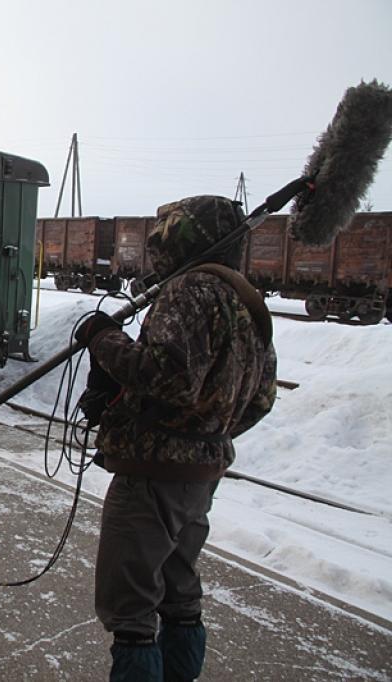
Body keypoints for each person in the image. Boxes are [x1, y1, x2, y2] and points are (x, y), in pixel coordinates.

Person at [74, 195, 277, 682]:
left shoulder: (189, 290)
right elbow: (261, 397)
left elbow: (166, 375)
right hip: (201, 476)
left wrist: (102, 338)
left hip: (152, 478)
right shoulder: (246, 297)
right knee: (180, 595)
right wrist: (207, 433)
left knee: (132, 613)